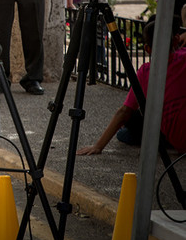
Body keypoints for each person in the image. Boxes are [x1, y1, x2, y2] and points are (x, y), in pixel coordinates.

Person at [78, 21, 186, 155]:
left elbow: (124, 112)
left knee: (124, 133)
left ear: (147, 48)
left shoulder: (147, 72)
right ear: (176, 39)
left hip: (178, 141)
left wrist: (98, 146)